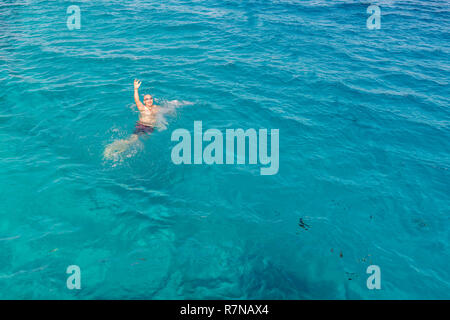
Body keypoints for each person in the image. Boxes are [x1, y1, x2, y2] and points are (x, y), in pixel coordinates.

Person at [103, 79, 159, 159]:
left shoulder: (156, 107)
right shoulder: (143, 108)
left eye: (150, 98)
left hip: (150, 128)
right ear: (144, 101)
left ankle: (122, 149)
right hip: (142, 126)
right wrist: (136, 89)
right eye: (147, 99)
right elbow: (136, 100)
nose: (149, 100)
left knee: (144, 141)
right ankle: (114, 146)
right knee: (133, 140)